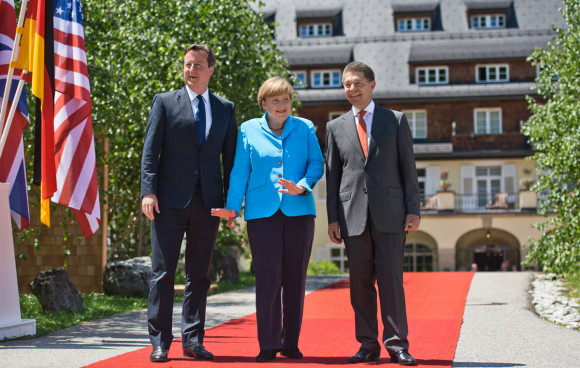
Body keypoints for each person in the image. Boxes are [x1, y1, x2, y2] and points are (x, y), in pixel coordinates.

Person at [212, 77, 324, 363]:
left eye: (286, 99)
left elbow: (317, 163)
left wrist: (303, 184)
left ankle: (291, 343)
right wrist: (233, 207)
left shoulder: (305, 127)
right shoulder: (248, 129)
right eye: (275, 100)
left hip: (299, 211)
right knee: (268, 279)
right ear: (263, 103)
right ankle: (268, 343)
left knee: (295, 279)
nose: (282, 105)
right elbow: (239, 172)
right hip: (262, 214)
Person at [140, 44, 238, 363]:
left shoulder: (225, 108)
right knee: (162, 273)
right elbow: (151, 152)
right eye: (186, 65)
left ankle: (193, 339)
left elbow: (231, 161)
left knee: (199, 275)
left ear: (211, 69)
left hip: (208, 203)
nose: (191, 70)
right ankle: (160, 341)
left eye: (198, 65)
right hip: (167, 202)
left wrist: (231, 203)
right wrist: (148, 191)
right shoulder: (165, 103)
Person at [325, 61, 421, 366]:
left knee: (391, 280)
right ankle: (367, 344)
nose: (351, 89)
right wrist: (332, 218)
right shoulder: (335, 127)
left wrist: (413, 209)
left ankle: (397, 344)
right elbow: (332, 177)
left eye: (357, 84)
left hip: (391, 213)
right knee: (360, 282)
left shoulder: (395, 120)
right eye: (346, 85)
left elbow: (408, 168)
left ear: (372, 85)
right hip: (351, 215)